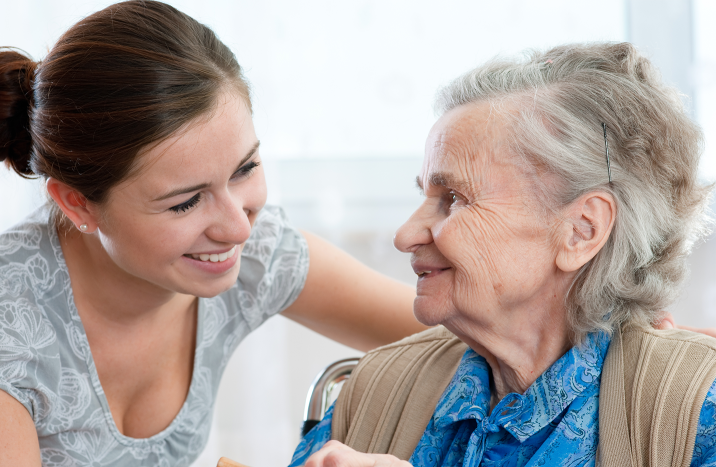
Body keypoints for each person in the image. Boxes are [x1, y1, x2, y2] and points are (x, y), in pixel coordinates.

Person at [0, 2, 430, 466]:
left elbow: (456, 330)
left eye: (245, 168)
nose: (237, 225)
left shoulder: (255, 251)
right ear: (77, 202)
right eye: (186, 201)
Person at [290, 42, 716, 467]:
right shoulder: (378, 387)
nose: (405, 235)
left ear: (581, 231)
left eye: (453, 197)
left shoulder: (695, 408)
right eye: (425, 194)